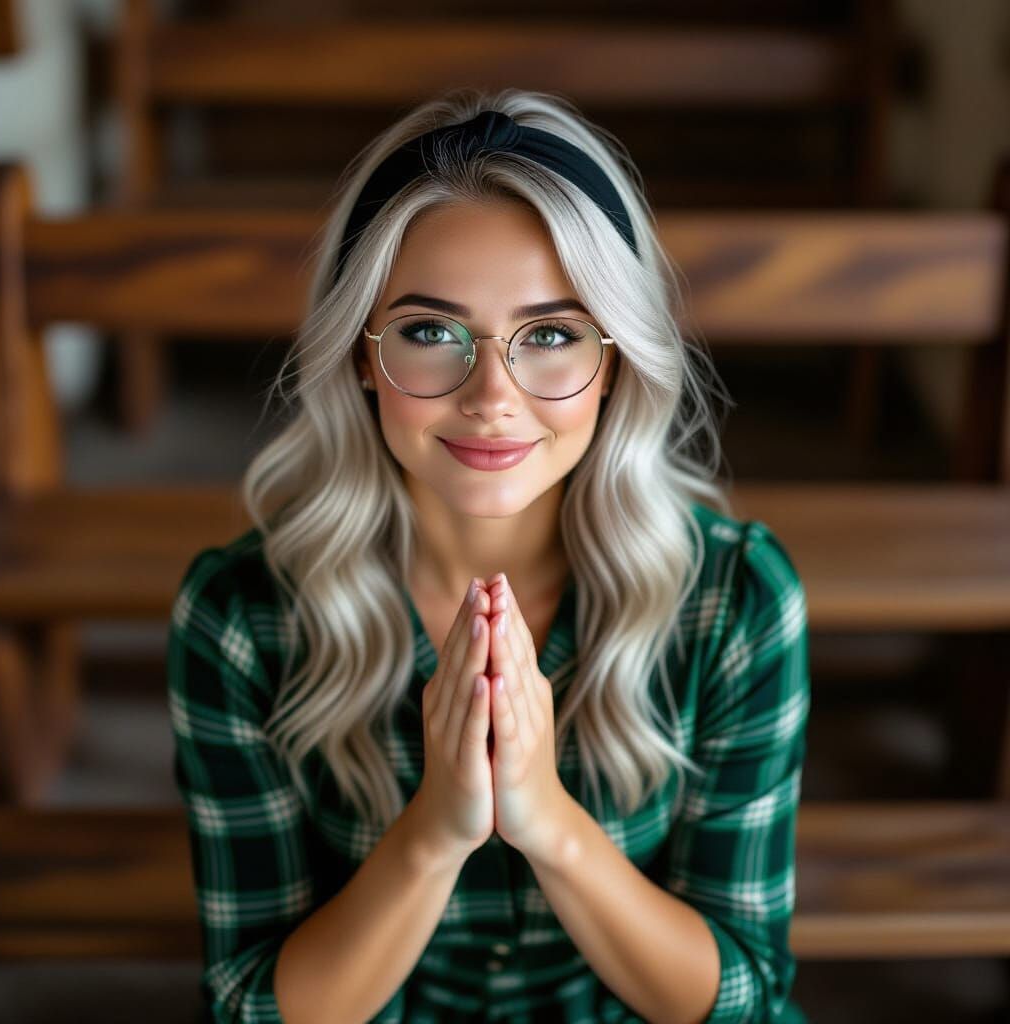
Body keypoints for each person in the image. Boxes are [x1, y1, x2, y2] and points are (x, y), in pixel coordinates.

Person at [167, 88, 811, 1024]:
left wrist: (547, 821)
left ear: (618, 358)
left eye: (550, 335)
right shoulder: (238, 617)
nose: (493, 396)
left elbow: (743, 998)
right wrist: (434, 832)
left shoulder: (736, 598)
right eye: (432, 333)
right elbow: (252, 1007)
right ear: (358, 352)